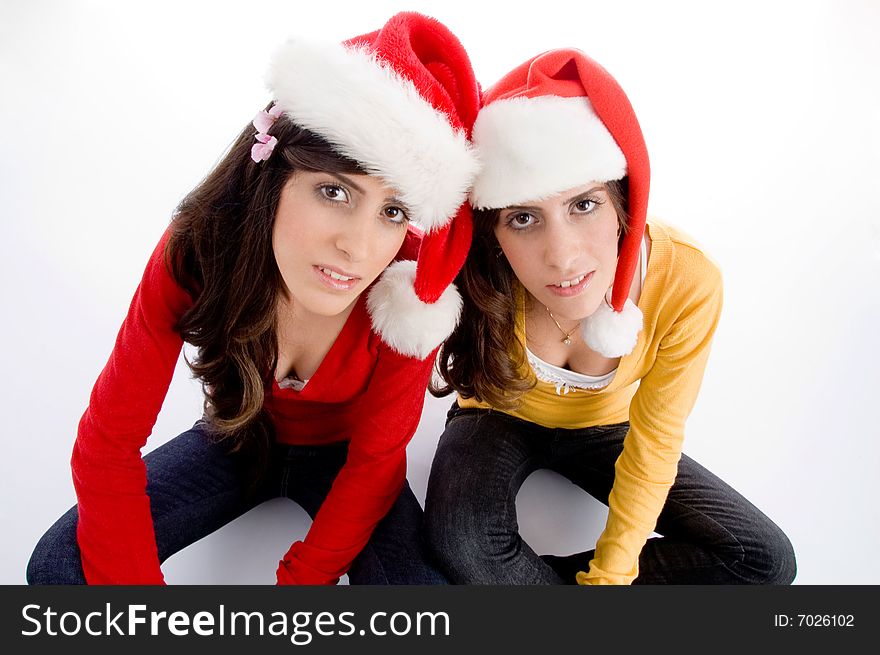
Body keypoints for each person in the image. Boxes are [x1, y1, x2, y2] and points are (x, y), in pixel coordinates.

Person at [26, 12, 481, 585]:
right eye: (334, 191)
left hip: (350, 465)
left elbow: (374, 462)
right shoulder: (200, 251)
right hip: (237, 436)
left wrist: (301, 580)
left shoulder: (409, 290)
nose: (359, 247)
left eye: (392, 211)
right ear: (273, 175)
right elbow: (107, 442)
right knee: (60, 566)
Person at [425, 48, 796, 585]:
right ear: (494, 232)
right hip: (494, 414)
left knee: (765, 560)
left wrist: (612, 578)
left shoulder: (686, 280)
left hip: (607, 429)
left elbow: (656, 440)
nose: (563, 256)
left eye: (583, 205)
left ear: (624, 199)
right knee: (461, 544)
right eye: (523, 217)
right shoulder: (480, 271)